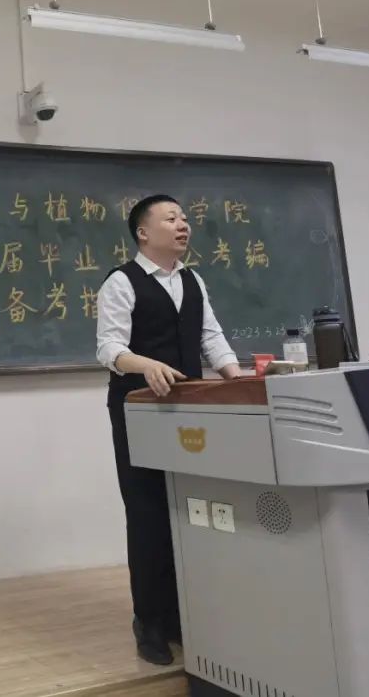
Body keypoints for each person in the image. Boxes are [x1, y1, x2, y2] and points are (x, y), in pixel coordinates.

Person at [95, 194, 240, 665]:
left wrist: (237, 378)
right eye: (171, 218)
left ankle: (182, 615)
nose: (183, 225)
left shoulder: (193, 280)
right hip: (139, 409)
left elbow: (210, 336)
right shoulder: (122, 281)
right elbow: (109, 348)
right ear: (143, 232)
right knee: (148, 512)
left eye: (184, 218)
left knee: (188, 509)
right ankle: (150, 621)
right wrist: (146, 364)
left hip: (189, 410)